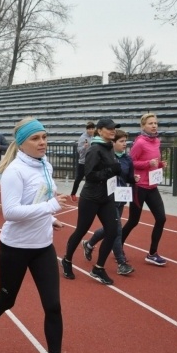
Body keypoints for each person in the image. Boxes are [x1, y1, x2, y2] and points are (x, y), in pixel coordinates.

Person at [0, 118, 78, 353]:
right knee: (6, 300)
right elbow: (11, 213)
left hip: (42, 247)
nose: (42, 142)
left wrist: (49, 218)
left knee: (53, 305)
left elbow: (39, 200)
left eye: (44, 136)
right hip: (15, 248)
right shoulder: (13, 172)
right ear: (22, 143)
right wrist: (51, 208)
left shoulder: (45, 165)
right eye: (36, 138)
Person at [60, 118, 122, 285]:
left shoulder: (109, 147)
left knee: (113, 230)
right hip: (91, 197)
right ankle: (66, 260)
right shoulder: (94, 149)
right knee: (81, 230)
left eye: (114, 128)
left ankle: (99, 268)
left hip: (106, 197)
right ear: (100, 131)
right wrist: (111, 170)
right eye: (109, 129)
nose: (113, 131)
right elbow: (90, 175)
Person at [81, 129, 138, 276]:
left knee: (110, 229)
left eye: (126, 141)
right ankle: (121, 263)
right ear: (112, 143)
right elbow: (95, 174)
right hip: (109, 198)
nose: (125, 144)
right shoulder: (106, 158)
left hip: (121, 198)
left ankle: (89, 244)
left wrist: (134, 179)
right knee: (116, 230)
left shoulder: (127, 159)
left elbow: (128, 177)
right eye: (121, 141)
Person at [121, 113, 169, 267]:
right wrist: (149, 163)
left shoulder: (156, 141)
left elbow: (154, 162)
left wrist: (160, 165)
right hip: (139, 186)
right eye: (150, 123)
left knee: (161, 218)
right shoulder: (140, 143)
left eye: (155, 123)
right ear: (143, 126)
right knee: (133, 221)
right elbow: (131, 162)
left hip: (152, 186)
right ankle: (117, 247)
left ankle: (152, 253)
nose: (154, 125)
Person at [70, 121, 96, 201]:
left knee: (90, 179)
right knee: (78, 179)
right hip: (83, 162)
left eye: (92, 128)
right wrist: (84, 147)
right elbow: (78, 150)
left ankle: (89, 195)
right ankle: (73, 194)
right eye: (89, 129)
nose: (91, 130)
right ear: (87, 129)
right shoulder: (82, 138)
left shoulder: (93, 137)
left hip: (91, 162)